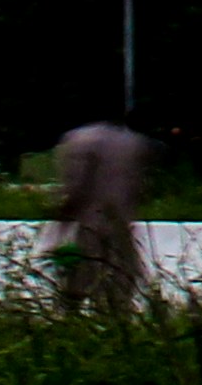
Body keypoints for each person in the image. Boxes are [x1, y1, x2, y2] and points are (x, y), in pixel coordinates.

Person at [46, 117, 154, 316]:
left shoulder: (79, 140)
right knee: (119, 297)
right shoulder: (134, 142)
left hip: (89, 228)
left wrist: (58, 226)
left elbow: (74, 190)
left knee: (73, 293)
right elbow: (140, 190)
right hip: (122, 230)